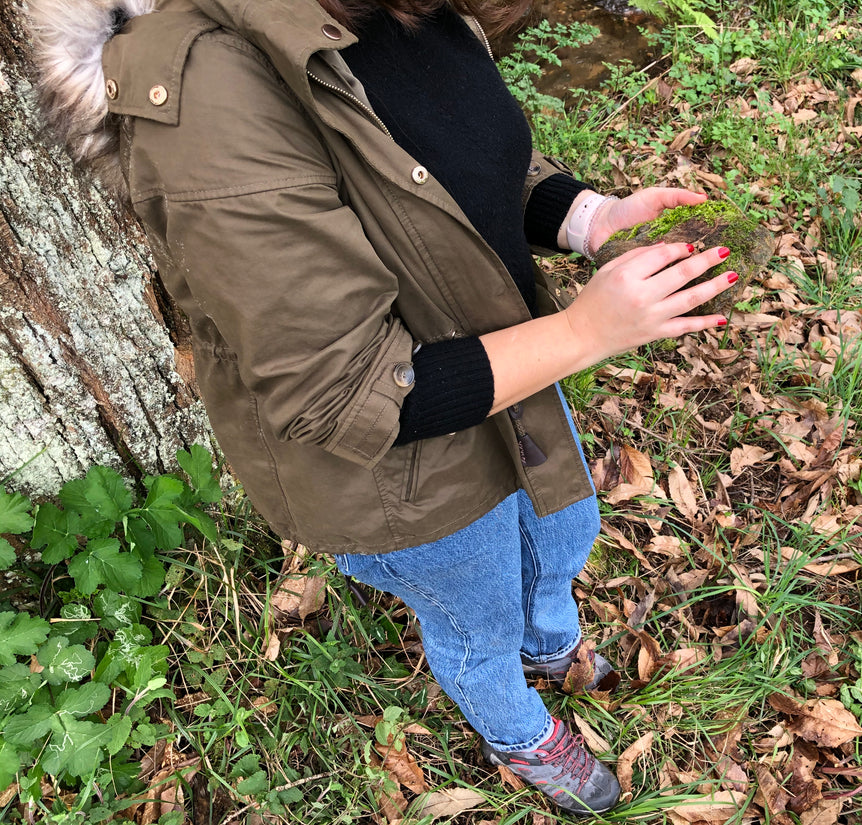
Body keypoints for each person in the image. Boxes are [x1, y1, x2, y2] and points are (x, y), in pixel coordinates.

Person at [30, 0, 738, 814]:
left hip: (507, 372)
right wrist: (585, 331)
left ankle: (550, 643)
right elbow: (344, 391)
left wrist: (588, 217)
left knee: (563, 530)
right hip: (396, 464)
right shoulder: (204, 86)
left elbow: (456, 162)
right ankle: (516, 726)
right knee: (477, 618)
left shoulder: (404, 9)